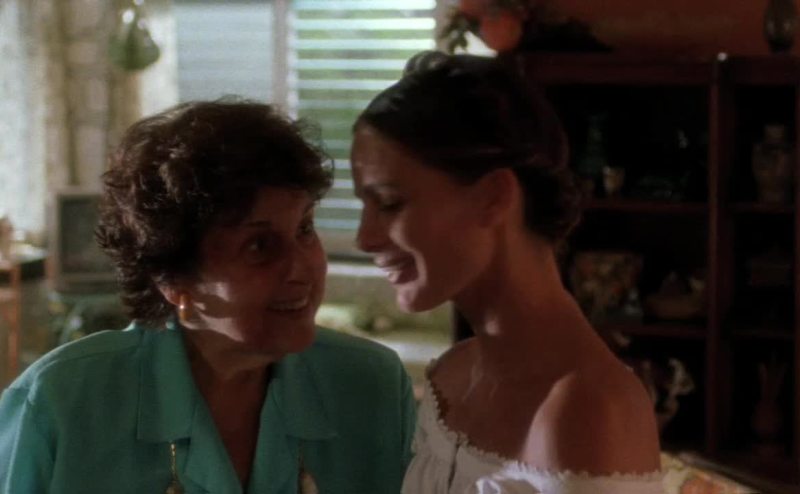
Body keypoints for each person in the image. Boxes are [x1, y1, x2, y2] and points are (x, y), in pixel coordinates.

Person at [0, 100, 415, 493]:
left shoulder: (371, 387)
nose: (302, 268)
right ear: (173, 279)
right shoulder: (60, 403)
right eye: (259, 246)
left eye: (304, 229)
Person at [351, 52, 663, 493]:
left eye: (389, 203)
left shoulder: (590, 410)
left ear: (493, 197)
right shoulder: (450, 378)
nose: (364, 238)